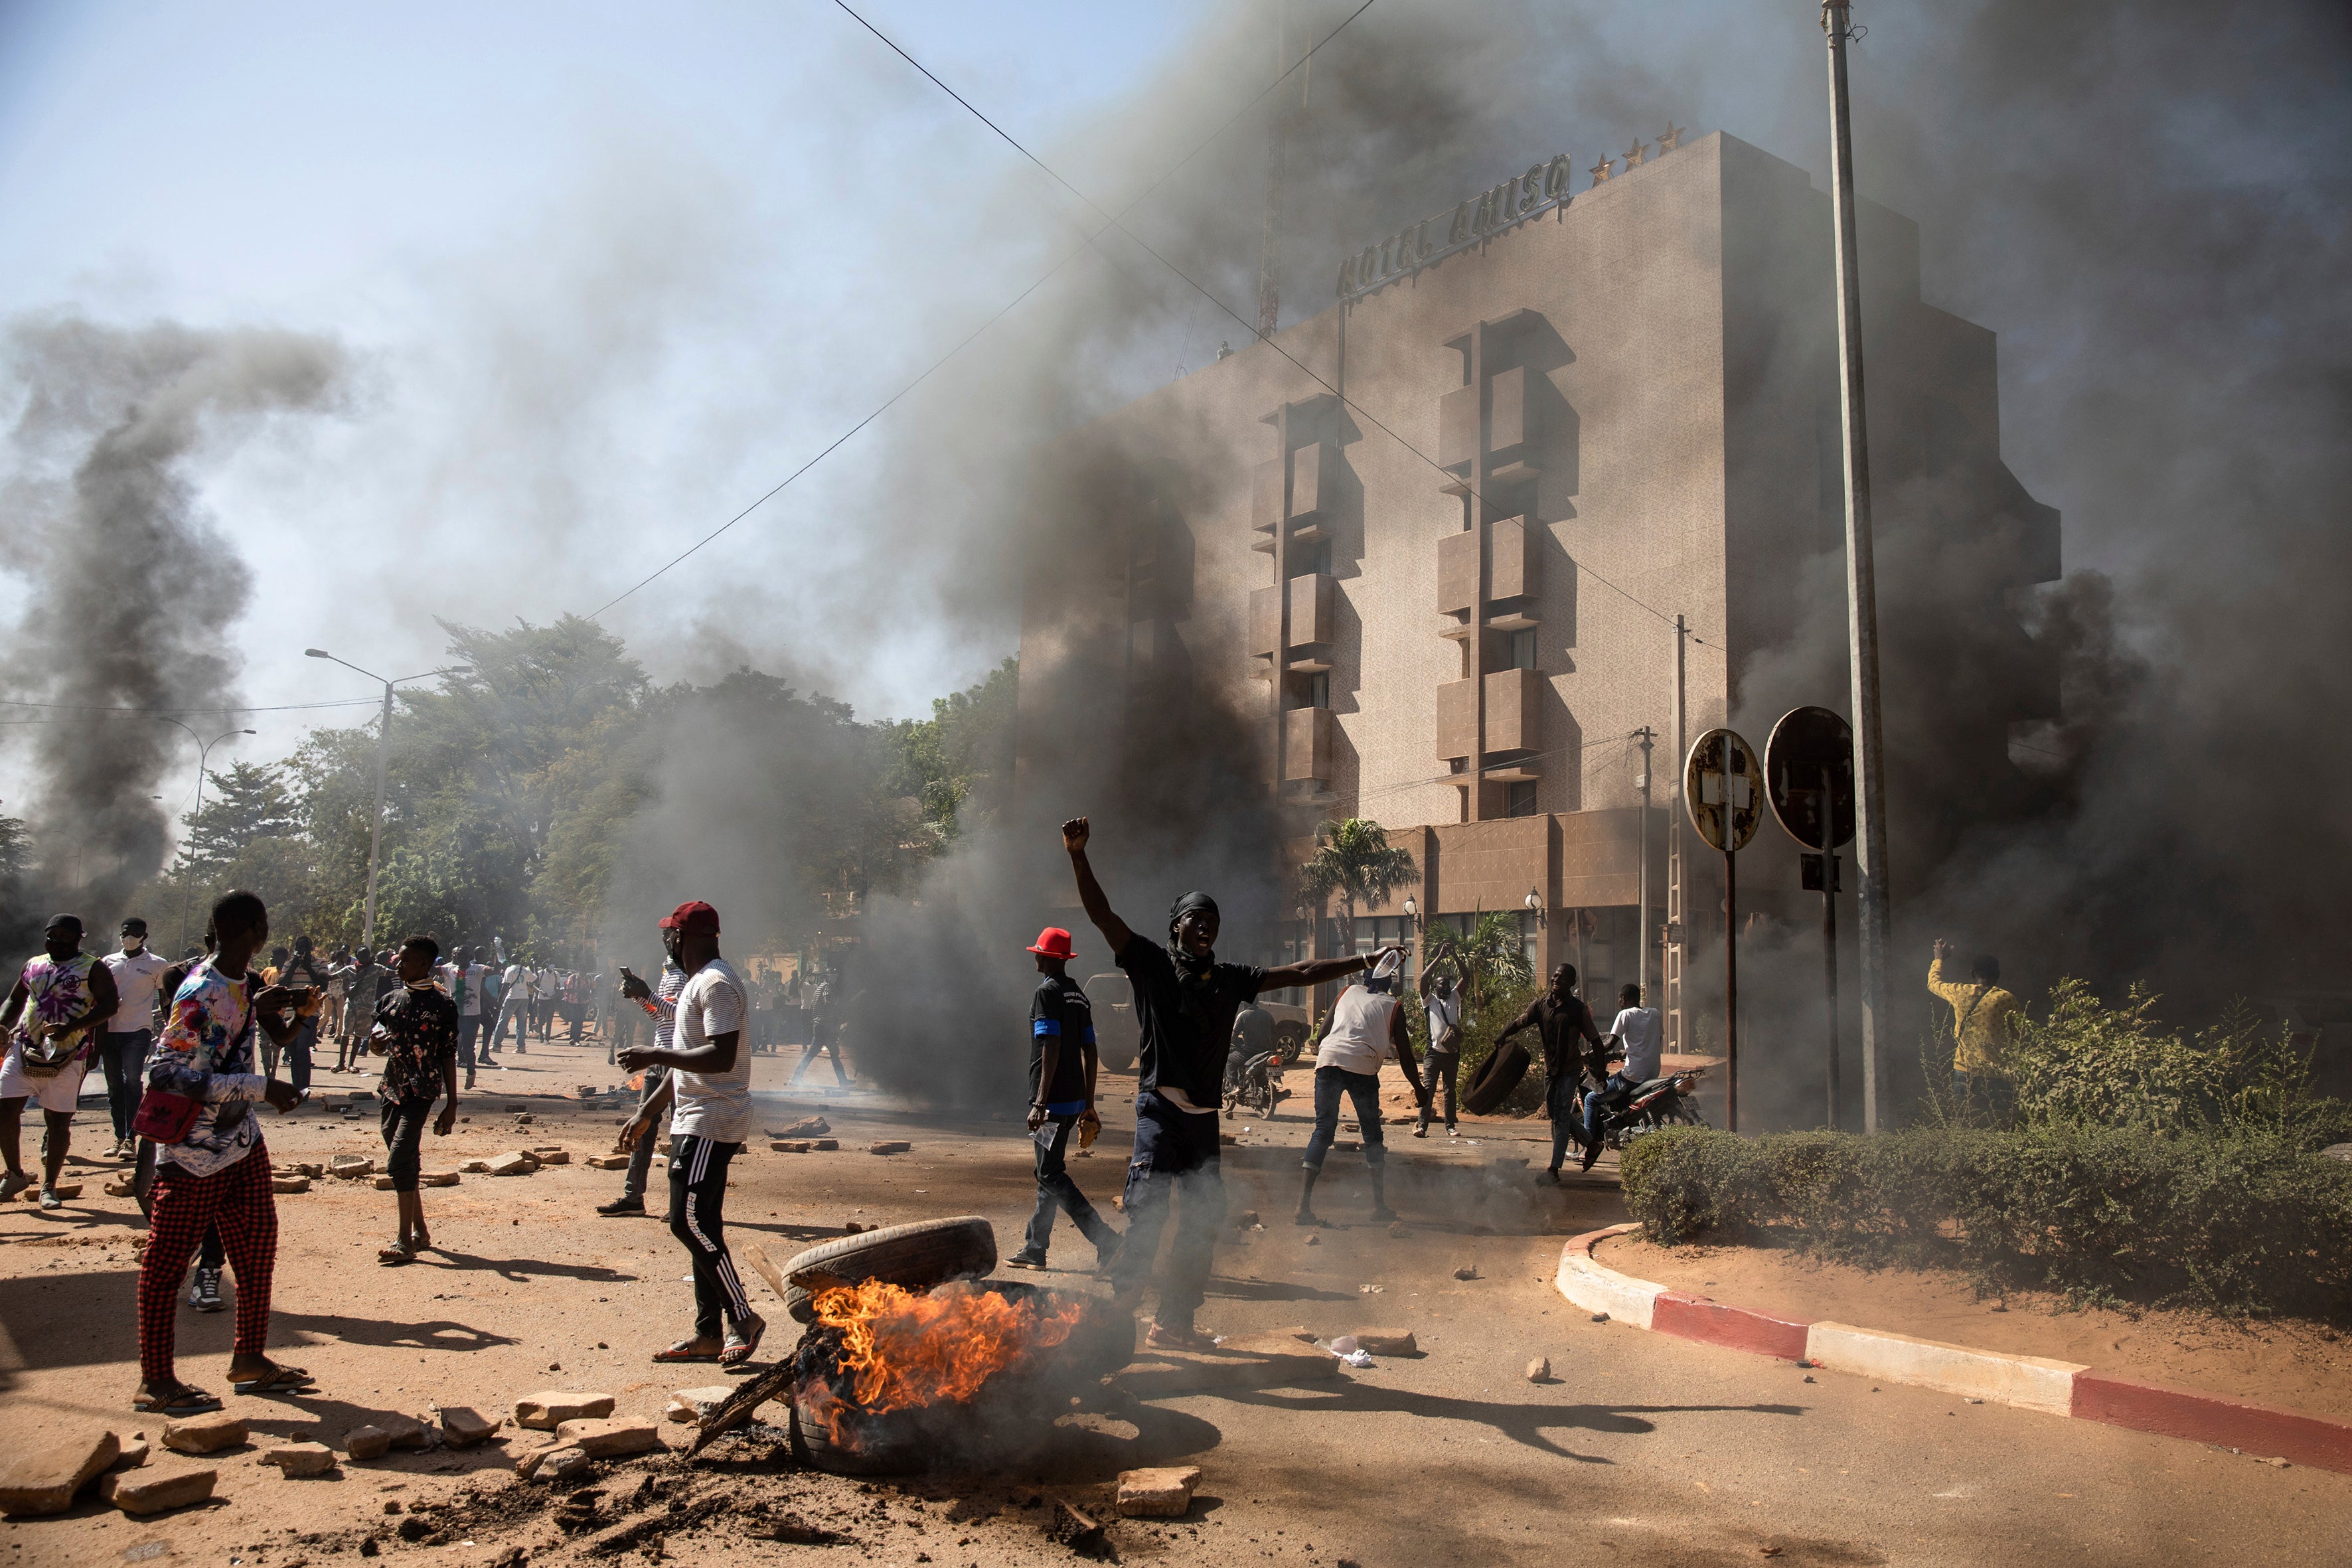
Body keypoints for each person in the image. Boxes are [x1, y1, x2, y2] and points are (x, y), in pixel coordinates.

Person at [1061, 815, 1391, 1350]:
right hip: (1159, 1113)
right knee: (1146, 1216)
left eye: (1212, 919)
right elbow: (1102, 915)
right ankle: (1109, 1327)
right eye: (1196, 918)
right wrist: (1078, 855)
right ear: (1177, 927)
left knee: (1200, 1223)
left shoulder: (1232, 977)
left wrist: (1362, 960)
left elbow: (1302, 972)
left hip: (1203, 1123)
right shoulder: (1149, 964)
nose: (1206, 926)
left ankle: (1173, 1324)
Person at [134, 889, 311, 1415]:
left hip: (239, 1143)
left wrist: (257, 1014)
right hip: (193, 1153)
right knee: (166, 1266)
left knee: (257, 1248)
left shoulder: (238, 984)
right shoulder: (202, 990)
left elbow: (225, 1045)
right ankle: (156, 1381)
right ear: (258, 930)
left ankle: (251, 1359)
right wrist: (261, 1087)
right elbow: (166, 1074)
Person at [615, 901, 764, 1365]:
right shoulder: (698, 983)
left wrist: (649, 1055)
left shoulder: (717, 983)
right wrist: (647, 1114)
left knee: (686, 1221)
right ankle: (707, 1334)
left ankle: (743, 1318)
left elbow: (719, 1057)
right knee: (704, 1226)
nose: (664, 943)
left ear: (682, 938)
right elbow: (683, 1067)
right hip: (691, 1117)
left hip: (712, 1119)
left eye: (668, 936)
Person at [1006, 927, 1120, 1273]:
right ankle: (1035, 1249)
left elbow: (1050, 1045)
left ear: (1047, 958)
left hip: (1052, 1106)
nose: (1036, 957)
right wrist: (1088, 1103)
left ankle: (1106, 1240)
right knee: (1048, 1172)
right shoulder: (1078, 995)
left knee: (1051, 1174)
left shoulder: (1047, 994)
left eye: (1038, 952)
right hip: (1071, 1104)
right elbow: (1091, 1049)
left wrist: (1040, 1102)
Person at [1296, 950, 1428, 1226]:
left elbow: (1321, 1036)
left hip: (1328, 1061)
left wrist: (1335, 1052)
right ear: (1389, 983)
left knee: (1323, 1130)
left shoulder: (1347, 992)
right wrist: (1419, 1088)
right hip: (1363, 1067)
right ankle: (1379, 1207)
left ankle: (1302, 1208)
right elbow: (1405, 1055)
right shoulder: (1393, 1006)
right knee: (1372, 1135)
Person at [1, 915, 119, 1208]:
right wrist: (2, 1023)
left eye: (66, 938)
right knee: (4, 1111)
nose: (58, 943)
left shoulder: (93, 967)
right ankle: (14, 1174)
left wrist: (72, 1028)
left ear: (79, 938)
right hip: (24, 1047)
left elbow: (109, 1005)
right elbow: (16, 1000)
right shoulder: (33, 964)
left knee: (57, 1121)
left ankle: (49, 1186)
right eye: (53, 937)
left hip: (68, 1055)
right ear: (46, 937)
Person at [142, 939, 230, 1312]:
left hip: (220, 1108)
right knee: (147, 1185)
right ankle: (186, 1247)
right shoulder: (181, 982)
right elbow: (167, 1063)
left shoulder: (240, 986)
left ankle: (208, 1271)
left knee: (216, 1198)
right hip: (172, 1103)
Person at [368, 935, 460, 1264]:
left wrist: (452, 1104)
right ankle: (420, 1230)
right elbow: (376, 1042)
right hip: (391, 1088)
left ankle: (403, 1240)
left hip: (422, 1091)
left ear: (424, 964)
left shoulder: (443, 1006)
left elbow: (448, 1054)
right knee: (404, 1156)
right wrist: (376, 1044)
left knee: (398, 1160)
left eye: (405, 960)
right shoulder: (391, 1000)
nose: (398, 964)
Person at [1495, 962, 1605, 1184]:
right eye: (1555, 976)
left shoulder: (1577, 1010)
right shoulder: (1540, 1006)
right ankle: (1592, 1144)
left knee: (1562, 1115)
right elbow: (1520, 1022)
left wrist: (1601, 1070)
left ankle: (1554, 1170)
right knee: (1556, 1115)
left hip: (1569, 1070)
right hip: (1551, 1070)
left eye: (1562, 978)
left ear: (1571, 983)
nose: (1556, 980)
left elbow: (1596, 1040)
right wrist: (1502, 1036)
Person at [598, 953, 684, 1218]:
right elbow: (660, 1016)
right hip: (658, 1057)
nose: (667, 941)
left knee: (679, 1131)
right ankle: (632, 1197)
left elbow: (682, 1015)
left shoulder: (689, 975)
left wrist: (648, 993)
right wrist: (640, 996)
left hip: (677, 1060)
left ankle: (679, 1204)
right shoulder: (668, 973)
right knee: (642, 1127)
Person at [100, 917, 171, 1160]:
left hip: (138, 1031)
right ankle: (119, 1136)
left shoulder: (157, 965)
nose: (128, 937)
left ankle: (131, 1138)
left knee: (132, 1079)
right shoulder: (108, 962)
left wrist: (171, 1026)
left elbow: (165, 999)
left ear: (145, 937)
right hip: (108, 1031)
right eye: (125, 933)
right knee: (113, 1085)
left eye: (134, 933)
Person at [1578, 983, 1664, 1171]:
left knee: (1592, 1099)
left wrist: (1590, 1055)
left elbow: (1609, 1043)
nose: (1618, 1002)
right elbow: (1656, 1040)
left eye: (1619, 999)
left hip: (1632, 1076)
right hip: (1652, 1074)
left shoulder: (1625, 1015)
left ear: (1624, 999)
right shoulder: (1655, 1013)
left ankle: (1590, 1147)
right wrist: (1628, 1051)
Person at [1929, 939, 2022, 1111]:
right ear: (1998, 974)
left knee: (1966, 1121)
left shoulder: (1960, 992)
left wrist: (1939, 959)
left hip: (1964, 1071)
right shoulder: (2006, 999)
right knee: (1998, 1122)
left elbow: (1934, 984)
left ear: (1973, 973)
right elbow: (2019, 1035)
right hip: (1997, 1073)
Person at [274, 935, 328, 1096]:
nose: (304, 951)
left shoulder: (320, 963)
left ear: (311, 948)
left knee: (302, 1048)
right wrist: (294, 967)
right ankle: (296, 1087)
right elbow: (283, 984)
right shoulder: (289, 964)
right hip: (291, 1013)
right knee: (292, 1050)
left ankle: (304, 1088)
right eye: (300, 948)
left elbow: (324, 985)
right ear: (296, 950)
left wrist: (309, 968)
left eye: (307, 948)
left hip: (311, 1012)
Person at [1417, 967, 1464, 1138]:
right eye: (1442, 985)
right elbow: (1423, 978)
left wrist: (1453, 955)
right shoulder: (1429, 1000)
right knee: (1428, 1089)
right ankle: (1422, 1126)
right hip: (1433, 1053)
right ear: (1435, 987)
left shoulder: (1454, 998)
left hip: (1452, 1053)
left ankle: (1450, 1127)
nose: (1446, 987)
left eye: (1448, 985)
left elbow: (1466, 976)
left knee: (1450, 1091)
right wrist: (1440, 957)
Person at [790, 965, 851, 1085]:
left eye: (836, 976)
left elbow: (814, 1006)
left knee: (822, 1053)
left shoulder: (819, 988)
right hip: (824, 1026)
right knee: (832, 1052)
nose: (835, 978)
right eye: (833, 976)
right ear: (828, 977)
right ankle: (842, 1081)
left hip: (820, 1025)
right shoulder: (827, 986)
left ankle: (797, 1076)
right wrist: (838, 1009)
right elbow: (827, 1001)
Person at [337, 947, 384, 1071]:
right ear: (357, 956)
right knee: (345, 1034)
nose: (364, 957)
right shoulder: (349, 970)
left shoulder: (376, 969)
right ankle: (341, 1063)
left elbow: (392, 972)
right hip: (351, 1005)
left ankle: (351, 1064)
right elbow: (332, 977)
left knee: (359, 1036)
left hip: (367, 1008)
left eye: (366, 954)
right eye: (361, 955)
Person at [493, 953, 530, 1058]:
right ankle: (521, 1047)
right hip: (524, 997)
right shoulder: (526, 970)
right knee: (521, 1023)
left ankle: (496, 1045)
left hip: (512, 997)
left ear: (511, 960)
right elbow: (535, 979)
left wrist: (499, 1000)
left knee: (503, 1021)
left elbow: (505, 985)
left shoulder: (509, 970)